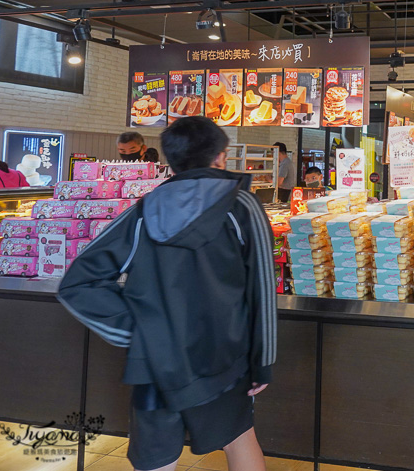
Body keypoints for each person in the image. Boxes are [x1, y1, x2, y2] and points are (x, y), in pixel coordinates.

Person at [58, 117, 277, 471]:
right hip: (224, 354)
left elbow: (77, 284)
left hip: (155, 364)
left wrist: (138, 332)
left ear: (169, 161)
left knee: (156, 459)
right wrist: (263, 362)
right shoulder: (243, 206)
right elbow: (262, 288)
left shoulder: (144, 211)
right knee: (238, 441)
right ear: (221, 157)